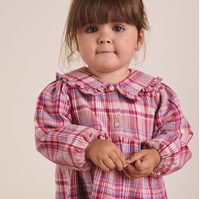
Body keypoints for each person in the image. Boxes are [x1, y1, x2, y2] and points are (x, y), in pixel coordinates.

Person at [34, 0, 193, 198]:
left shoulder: (156, 94)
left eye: (118, 28)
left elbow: (179, 137)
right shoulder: (64, 91)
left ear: (139, 38)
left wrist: (156, 155)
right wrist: (88, 146)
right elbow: (47, 135)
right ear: (76, 38)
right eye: (92, 29)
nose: (104, 37)